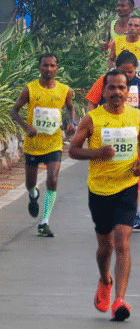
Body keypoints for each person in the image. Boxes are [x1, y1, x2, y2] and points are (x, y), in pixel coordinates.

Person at [69, 69, 140, 321]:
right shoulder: (92, 119)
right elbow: (72, 150)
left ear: (128, 91)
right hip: (99, 190)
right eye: (112, 88)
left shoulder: (137, 117)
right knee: (105, 247)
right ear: (103, 92)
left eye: (121, 88)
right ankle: (105, 280)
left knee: (122, 242)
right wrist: (96, 154)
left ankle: (119, 301)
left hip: (127, 187)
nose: (116, 92)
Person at [87, 51, 140, 230]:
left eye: (130, 72)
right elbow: (92, 101)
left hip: (132, 132)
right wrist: (91, 126)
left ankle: (132, 212)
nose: (127, 76)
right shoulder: (105, 80)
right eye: (124, 71)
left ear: (135, 71)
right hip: (108, 131)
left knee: (135, 171)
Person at [10, 53, 75, 237]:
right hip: (33, 145)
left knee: (52, 180)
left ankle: (44, 222)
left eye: (52, 65)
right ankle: (33, 194)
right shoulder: (30, 89)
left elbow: (70, 107)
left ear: (57, 68)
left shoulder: (64, 90)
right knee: (30, 183)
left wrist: (72, 122)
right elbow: (13, 110)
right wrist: (26, 127)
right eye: (45, 65)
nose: (48, 69)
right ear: (39, 68)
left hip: (54, 143)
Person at [108, 15, 140, 80]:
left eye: (136, 26)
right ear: (127, 26)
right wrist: (113, 70)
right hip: (122, 83)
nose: (132, 28)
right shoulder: (117, 42)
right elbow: (110, 60)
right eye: (130, 25)